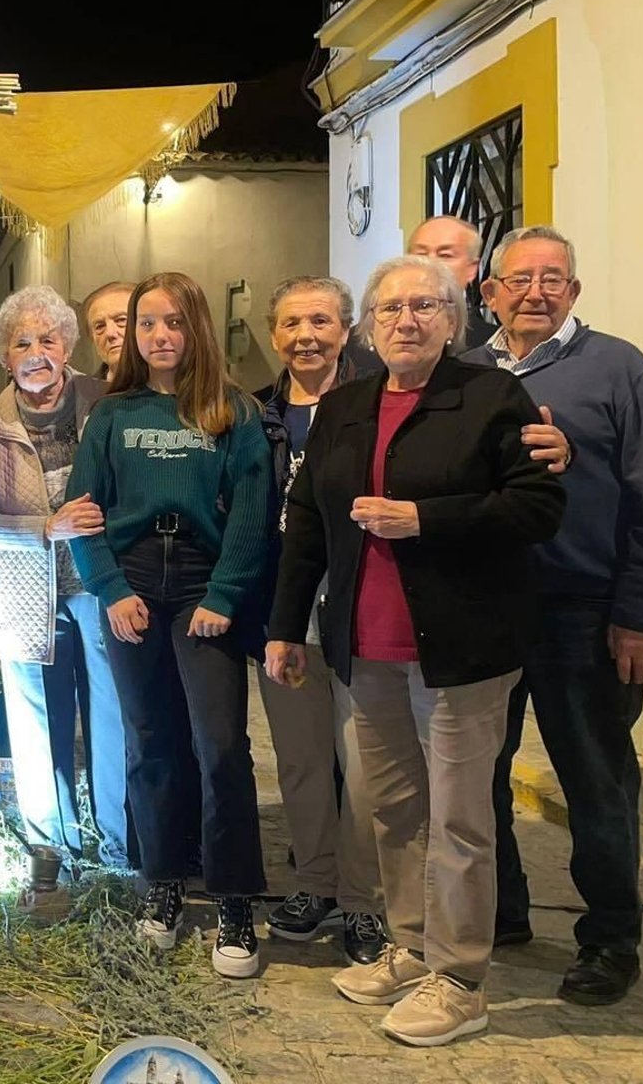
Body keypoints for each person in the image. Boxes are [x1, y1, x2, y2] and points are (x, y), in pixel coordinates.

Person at [267, 254, 565, 1047]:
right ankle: (408, 946)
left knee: (462, 820)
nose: (408, 319)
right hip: (366, 648)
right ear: (370, 323)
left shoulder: (492, 396)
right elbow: (307, 523)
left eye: (426, 306)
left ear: (454, 317)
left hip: (461, 650)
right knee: (393, 810)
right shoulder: (347, 405)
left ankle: (460, 978)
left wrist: (425, 520)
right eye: (392, 307)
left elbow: (538, 507)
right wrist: (284, 626)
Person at [466, 226, 643, 1004]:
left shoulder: (618, 367)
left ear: (574, 291)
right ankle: (501, 911)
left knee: (596, 782)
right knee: (477, 773)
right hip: (487, 608)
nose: (537, 291)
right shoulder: (465, 371)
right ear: (488, 292)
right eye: (519, 279)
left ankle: (610, 941)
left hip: (586, 613)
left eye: (553, 278)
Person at [67, 272, 272, 980]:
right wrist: (109, 589)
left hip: (200, 587)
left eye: (174, 323)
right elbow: (83, 511)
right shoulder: (113, 415)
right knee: (148, 741)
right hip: (131, 586)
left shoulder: (232, 411)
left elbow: (251, 512)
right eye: (147, 323)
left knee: (219, 745)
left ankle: (236, 895)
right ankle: (163, 883)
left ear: (198, 330)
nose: (160, 336)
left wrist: (225, 593)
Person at [253, 275, 388, 965]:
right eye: (291, 323)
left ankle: (366, 901)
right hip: (285, 608)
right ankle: (315, 882)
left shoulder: (377, 404)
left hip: (362, 605)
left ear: (345, 329)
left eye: (320, 322)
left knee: (363, 764)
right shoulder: (257, 415)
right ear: (273, 335)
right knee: (302, 761)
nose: (306, 335)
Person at [0, 285, 129, 865]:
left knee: (111, 711)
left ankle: (119, 845)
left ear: (67, 346)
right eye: (21, 342)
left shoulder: (108, 400)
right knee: (36, 718)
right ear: (4, 357)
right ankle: (50, 849)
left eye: (48, 339)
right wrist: (44, 526)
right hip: (21, 589)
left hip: (100, 582)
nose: (36, 352)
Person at [407, 215, 492, 347]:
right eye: (421, 254)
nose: (431, 263)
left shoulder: (492, 344)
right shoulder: (375, 337)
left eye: (445, 255)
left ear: (471, 268)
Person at [82, 280, 135, 378]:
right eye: (100, 326)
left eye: (121, 320)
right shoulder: (81, 392)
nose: (110, 333)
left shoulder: (170, 386)